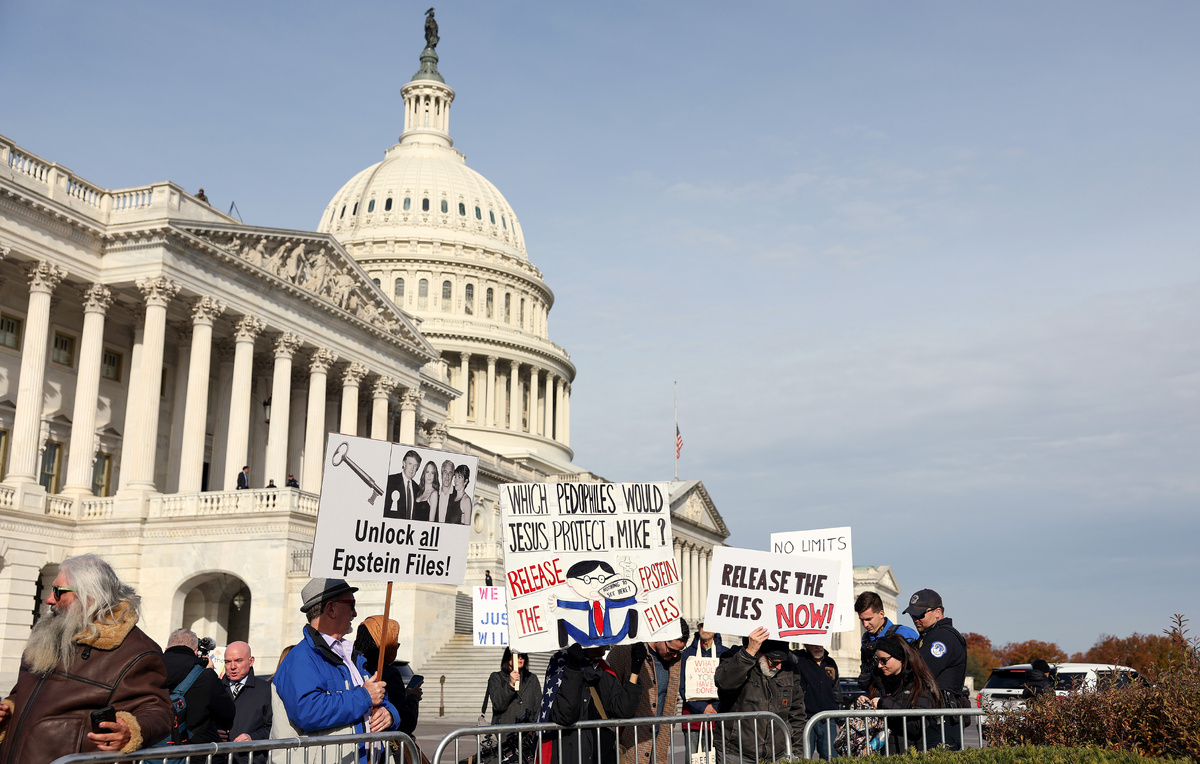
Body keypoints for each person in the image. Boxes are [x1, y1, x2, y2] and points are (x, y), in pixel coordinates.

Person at [0, 553, 174, 764]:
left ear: (90, 596)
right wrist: (7, 710)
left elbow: (157, 710)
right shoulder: (48, 635)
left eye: (58, 592)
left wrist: (129, 730)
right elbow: (24, 694)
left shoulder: (135, 651)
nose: (49, 599)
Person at [272, 578, 400, 763]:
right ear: (331, 608)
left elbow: (380, 698)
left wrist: (389, 715)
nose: (355, 613)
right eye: (351, 605)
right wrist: (364, 696)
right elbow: (308, 711)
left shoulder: (353, 656)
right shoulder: (301, 658)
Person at [713, 627, 806, 764]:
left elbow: (797, 714)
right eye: (774, 662)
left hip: (778, 753)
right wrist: (748, 653)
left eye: (782, 662)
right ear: (758, 653)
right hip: (737, 752)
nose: (778, 667)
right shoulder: (734, 657)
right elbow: (724, 683)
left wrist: (797, 754)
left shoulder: (790, 669)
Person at [544, 643, 642, 764]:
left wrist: (635, 670)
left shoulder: (602, 668)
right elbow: (565, 715)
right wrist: (574, 669)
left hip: (604, 755)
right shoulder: (561, 663)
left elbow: (623, 710)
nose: (608, 642)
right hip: (575, 755)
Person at [608, 619, 690, 764]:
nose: (675, 655)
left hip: (659, 745)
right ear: (660, 636)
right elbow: (608, 693)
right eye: (671, 650)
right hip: (629, 744)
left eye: (679, 651)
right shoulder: (624, 653)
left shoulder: (675, 661)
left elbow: (669, 699)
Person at [903, 589, 967, 750]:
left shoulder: (942, 638)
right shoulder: (929, 637)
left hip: (940, 717)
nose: (915, 619)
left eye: (920, 614)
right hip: (934, 714)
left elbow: (919, 671)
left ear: (937, 612)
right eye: (912, 616)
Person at [860, 635, 942, 754]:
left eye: (884, 660)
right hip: (880, 754)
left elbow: (916, 726)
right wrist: (866, 703)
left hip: (907, 755)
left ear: (900, 658)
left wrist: (885, 703)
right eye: (878, 660)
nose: (879, 665)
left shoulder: (919, 684)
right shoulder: (878, 681)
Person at [160, 628, 236, 756]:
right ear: (196, 652)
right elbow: (227, 712)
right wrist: (211, 673)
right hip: (195, 751)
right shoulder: (204, 675)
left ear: (166, 649)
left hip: (152, 751)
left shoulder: (149, 668)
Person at [352, 616, 420, 736]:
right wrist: (412, 698)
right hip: (380, 749)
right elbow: (405, 722)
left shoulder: (350, 666)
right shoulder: (387, 673)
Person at [551, 559, 638, 648]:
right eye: (586, 580)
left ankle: (632, 617)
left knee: (619, 636)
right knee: (583, 639)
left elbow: (620, 603)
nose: (594, 585)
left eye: (601, 579)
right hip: (590, 639)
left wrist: (636, 599)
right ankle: (563, 625)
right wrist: (558, 602)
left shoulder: (608, 602)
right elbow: (574, 605)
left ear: (616, 578)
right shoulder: (587, 604)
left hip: (609, 637)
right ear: (570, 582)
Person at [217, 640, 273, 764]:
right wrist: (212, 732)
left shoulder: (266, 690)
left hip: (252, 759)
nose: (232, 666)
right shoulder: (215, 688)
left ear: (251, 661)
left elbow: (273, 727)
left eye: (238, 661)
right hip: (219, 759)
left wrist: (253, 737)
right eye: (227, 662)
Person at [678, 622, 727, 758]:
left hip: (717, 717)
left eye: (710, 625)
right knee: (693, 759)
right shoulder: (686, 654)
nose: (705, 629)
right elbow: (683, 687)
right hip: (692, 718)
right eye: (702, 625)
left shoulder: (725, 653)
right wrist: (702, 708)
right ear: (698, 628)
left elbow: (730, 687)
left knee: (716, 759)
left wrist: (715, 706)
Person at [854, 592, 918, 690]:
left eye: (869, 619)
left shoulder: (904, 633)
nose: (865, 624)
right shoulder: (866, 638)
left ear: (881, 614)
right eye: (862, 620)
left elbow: (919, 670)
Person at [793, 643, 841, 760]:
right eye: (813, 644)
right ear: (805, 645)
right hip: (806, 719)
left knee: (831, 758)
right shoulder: (798, 660)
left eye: (820, 643)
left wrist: (840, 718)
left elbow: (836, 691)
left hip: (828, 719)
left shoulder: (830, 662)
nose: (818, 647)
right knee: (804, 758)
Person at [486, 647, 541, 725]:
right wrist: (511, 685)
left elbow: (537, 706)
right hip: (504, 731)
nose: (520, 658)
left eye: (523, 655)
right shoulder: (496, 677)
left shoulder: (532, 678)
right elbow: (498, 705)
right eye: (517, 655)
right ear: (508, 657)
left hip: (526, 732)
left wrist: (532, 727)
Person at [383, 450, 421, 519]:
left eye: (415, 466)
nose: (412, 469)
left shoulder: (417, 489)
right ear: (404, 463)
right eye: (410, 464)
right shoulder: (390, 481)